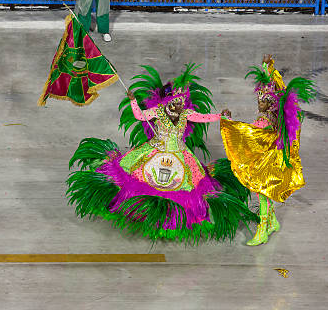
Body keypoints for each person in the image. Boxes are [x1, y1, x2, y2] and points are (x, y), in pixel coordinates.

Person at [67, 64, 258, 242]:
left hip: (180, 155)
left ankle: (170, 219)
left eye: (182, 102)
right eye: (175, 102)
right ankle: (143, 212)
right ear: (169, 101)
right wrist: (133, 101)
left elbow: (203, 118)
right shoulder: (158, 111)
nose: (179, 106)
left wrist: (220, 116)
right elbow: (140, 116)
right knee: (139, 180)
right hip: (154, 150)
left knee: (186, 188)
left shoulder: (186, 114)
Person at [220, 55, 316, 246]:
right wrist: (267, 69)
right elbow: (279, 87)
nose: (259, 104)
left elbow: (248, 134)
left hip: (266, 163)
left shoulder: (264, 120)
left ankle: (262, 232)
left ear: (270, 103)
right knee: (263, 193)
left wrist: (228, 124)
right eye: (259, 100)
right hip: (271, 160)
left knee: (262, 194)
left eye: (263, 102)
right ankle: (273, 222)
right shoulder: (276, 114)